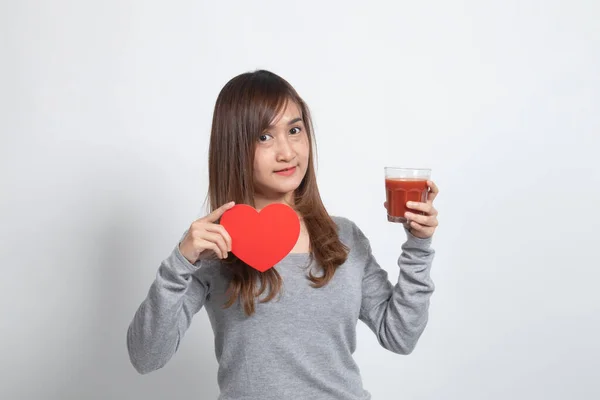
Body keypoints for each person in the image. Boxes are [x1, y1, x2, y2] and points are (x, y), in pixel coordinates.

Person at [127, 69, 439, 400]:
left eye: (294, 130)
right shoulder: (213, 246)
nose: (287, 152)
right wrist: (180, 261)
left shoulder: (344, 237)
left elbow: (400, 336)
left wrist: (418, 245)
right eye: (264, 137)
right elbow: (146, 357)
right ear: (234, 147)